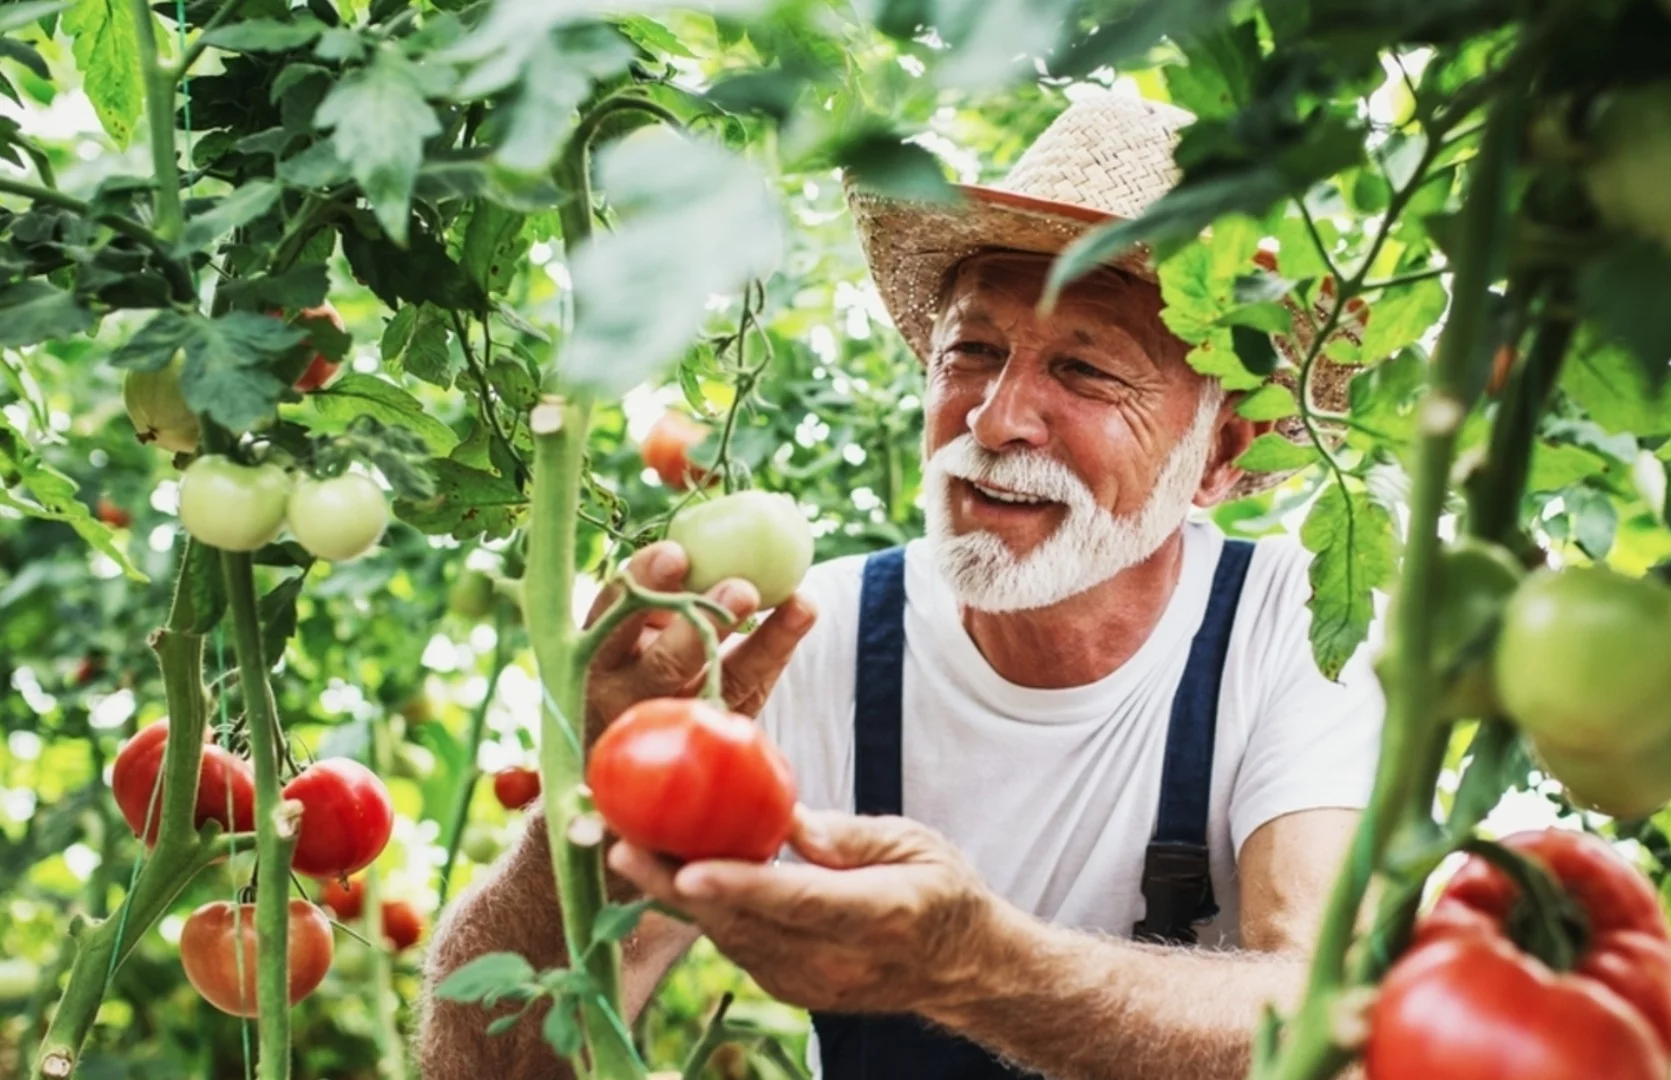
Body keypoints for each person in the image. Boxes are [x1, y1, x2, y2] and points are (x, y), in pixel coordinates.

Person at [418, 93, 1384, 1080]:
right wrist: (589, 801)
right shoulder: (800, 645)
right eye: (971, 351)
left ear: (1221, 451)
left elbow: (1331, 1013)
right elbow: (482, 1068)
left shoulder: (1292, 629)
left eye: (1088, 370)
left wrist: (977, 966)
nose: (998, 418)